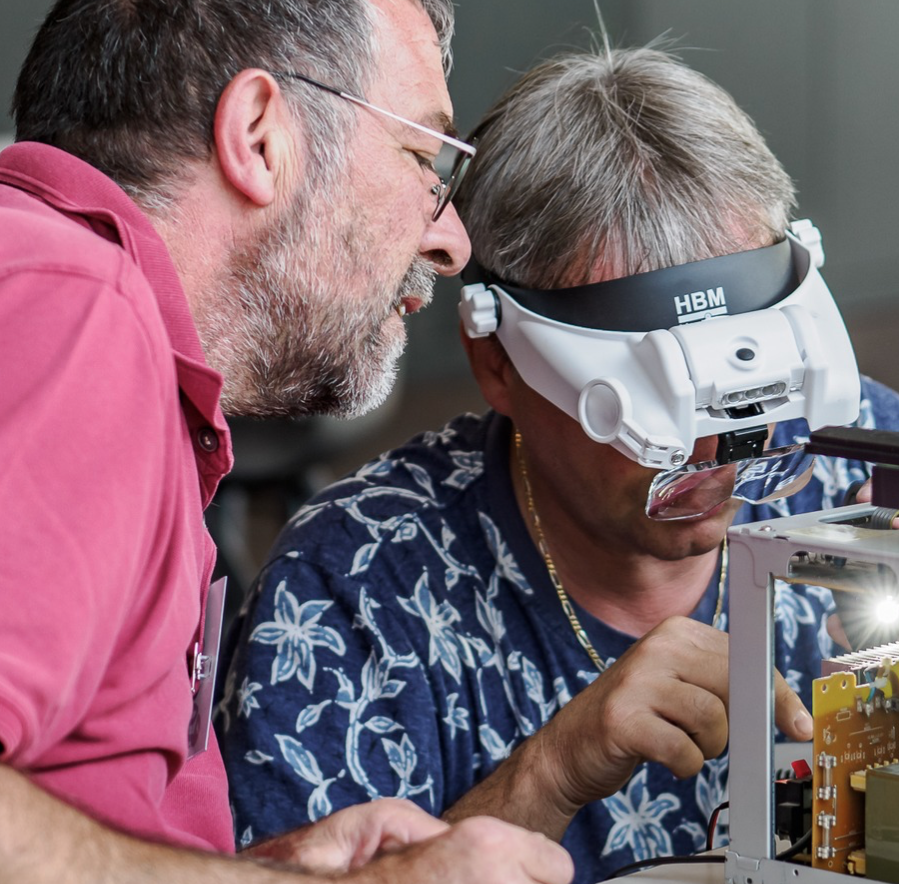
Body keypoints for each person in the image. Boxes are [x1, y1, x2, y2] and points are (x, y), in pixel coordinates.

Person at [218, 46, 899, 883]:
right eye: (655, 407)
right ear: (498, 364)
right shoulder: (355, 590)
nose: (719, 447)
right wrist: (552, 771)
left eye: (749, 386)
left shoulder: (882, 468)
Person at [0, 0, 571, 882]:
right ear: (260, 137)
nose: (451, 241)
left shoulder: (98, 325)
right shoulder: (73, 309)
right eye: (424, 158)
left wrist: (283, 868)